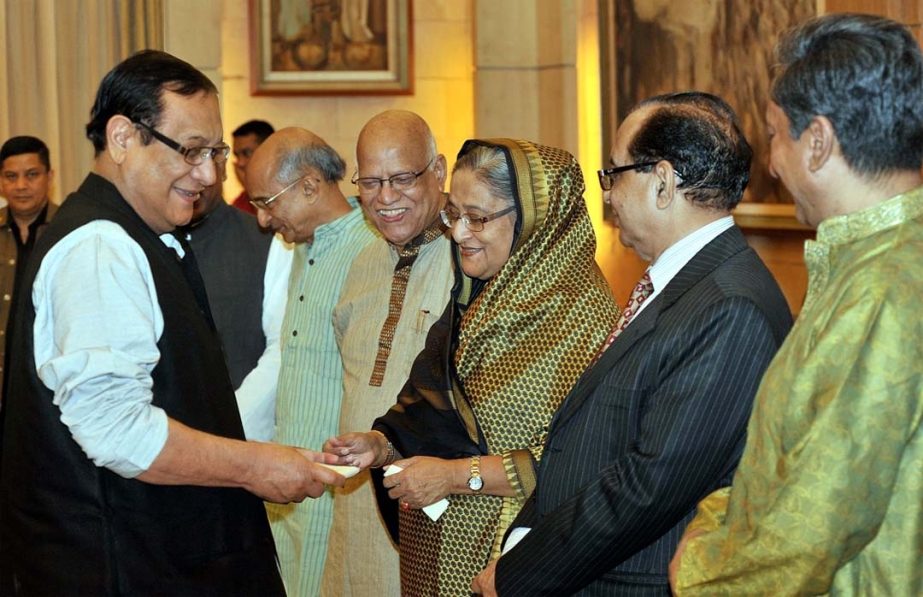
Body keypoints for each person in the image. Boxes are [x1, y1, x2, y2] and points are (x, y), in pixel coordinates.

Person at [0, 50, 345, 595]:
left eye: (215, 152)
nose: (207, 175)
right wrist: (254, 466)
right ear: (122, 138)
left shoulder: (138, 233)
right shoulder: (98, 246)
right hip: (126, 566)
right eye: (190, 151)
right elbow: (117, 429)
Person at [471, 92, 793, 596]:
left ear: (662, 182)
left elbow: (648, 485)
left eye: (614, 174)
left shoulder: (729, 306)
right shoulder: (683, 284)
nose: (607, 196)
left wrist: (521, 573)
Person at [671, 14, 923, 595]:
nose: (772, 160)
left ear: (818, 143)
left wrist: (701, 568)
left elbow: (816, 520)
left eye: (776, 134)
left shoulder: (881, 287)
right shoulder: (871, 261)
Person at [327, 138, 619, 596]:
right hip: (446, 552)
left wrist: (454, 476)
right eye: (454, 215)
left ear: (535, 220)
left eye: (478, 218)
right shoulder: (478, 299)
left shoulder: (582, 318)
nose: (460, 234)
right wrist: (381, 444)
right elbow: (431, 406)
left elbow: (582, 464)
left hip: (518, 561)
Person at [321, 110, 454, 596]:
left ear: (438, 171)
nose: (385, 197)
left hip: (436, 515)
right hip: (356, 512)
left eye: (401, 178)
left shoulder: (473, 260)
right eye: (371, 182)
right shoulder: (363, 262)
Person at [246, 126, 377, 597]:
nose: (262, 220)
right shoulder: (299, 247)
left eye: (267, 202)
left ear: (309, 185)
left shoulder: (372, 247)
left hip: (339, 487)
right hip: (289, 481)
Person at [181, 155, 293, 441]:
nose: (196, 177)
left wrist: (229, 426)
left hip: (246, 437)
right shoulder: (142, 242)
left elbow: (282, 347)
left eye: (204, 160)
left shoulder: (269, 240)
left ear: (221, 166)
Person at [0, 136, 57, 401]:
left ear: (49, 176)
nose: (21, 186)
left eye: (31, 175)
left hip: (49, 387)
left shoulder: (70, 230)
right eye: (11, 176)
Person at [230, 119, 274, 215]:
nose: (240, 163)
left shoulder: (290, 195)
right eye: (237, 155)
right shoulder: (239, 205)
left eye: (247, 153)